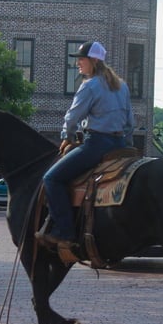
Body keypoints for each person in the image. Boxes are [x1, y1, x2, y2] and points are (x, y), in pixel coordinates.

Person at [35, 40, 136, 262]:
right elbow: (130, 122)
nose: (78, 63)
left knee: (51, 178)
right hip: (120, 146)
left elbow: (72, 117)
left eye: (81, 59)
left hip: (97, 145)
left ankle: (65, 232)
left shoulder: (90, 86)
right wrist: (126, 145)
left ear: (93, 61)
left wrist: (66, 137)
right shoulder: (122, 85)